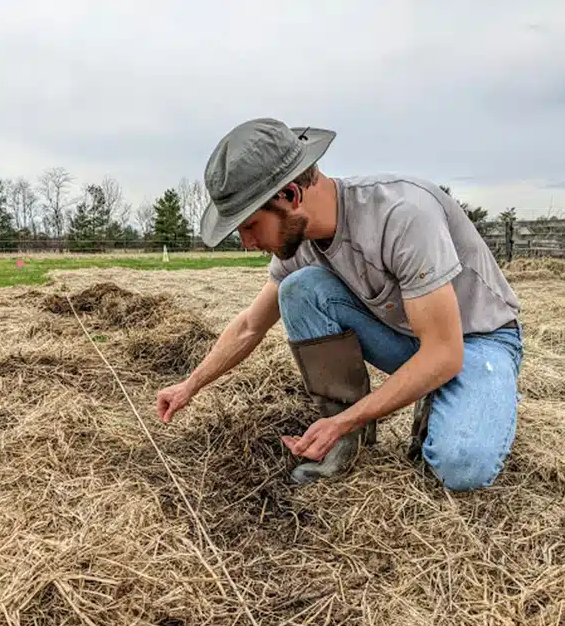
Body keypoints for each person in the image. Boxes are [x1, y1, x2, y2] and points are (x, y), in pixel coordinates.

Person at [157, 118, 523, 491]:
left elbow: (445, 353)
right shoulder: (297, 242)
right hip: (405, 337)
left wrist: (342, 419)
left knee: (460, 466)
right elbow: (252, 324)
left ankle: (452, 399)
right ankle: (349, 445)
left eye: (250, 225)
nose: (248, 242)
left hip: (475, 340)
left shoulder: (402, 214)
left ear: (291, 197)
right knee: (298, 289)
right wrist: (190, 385)